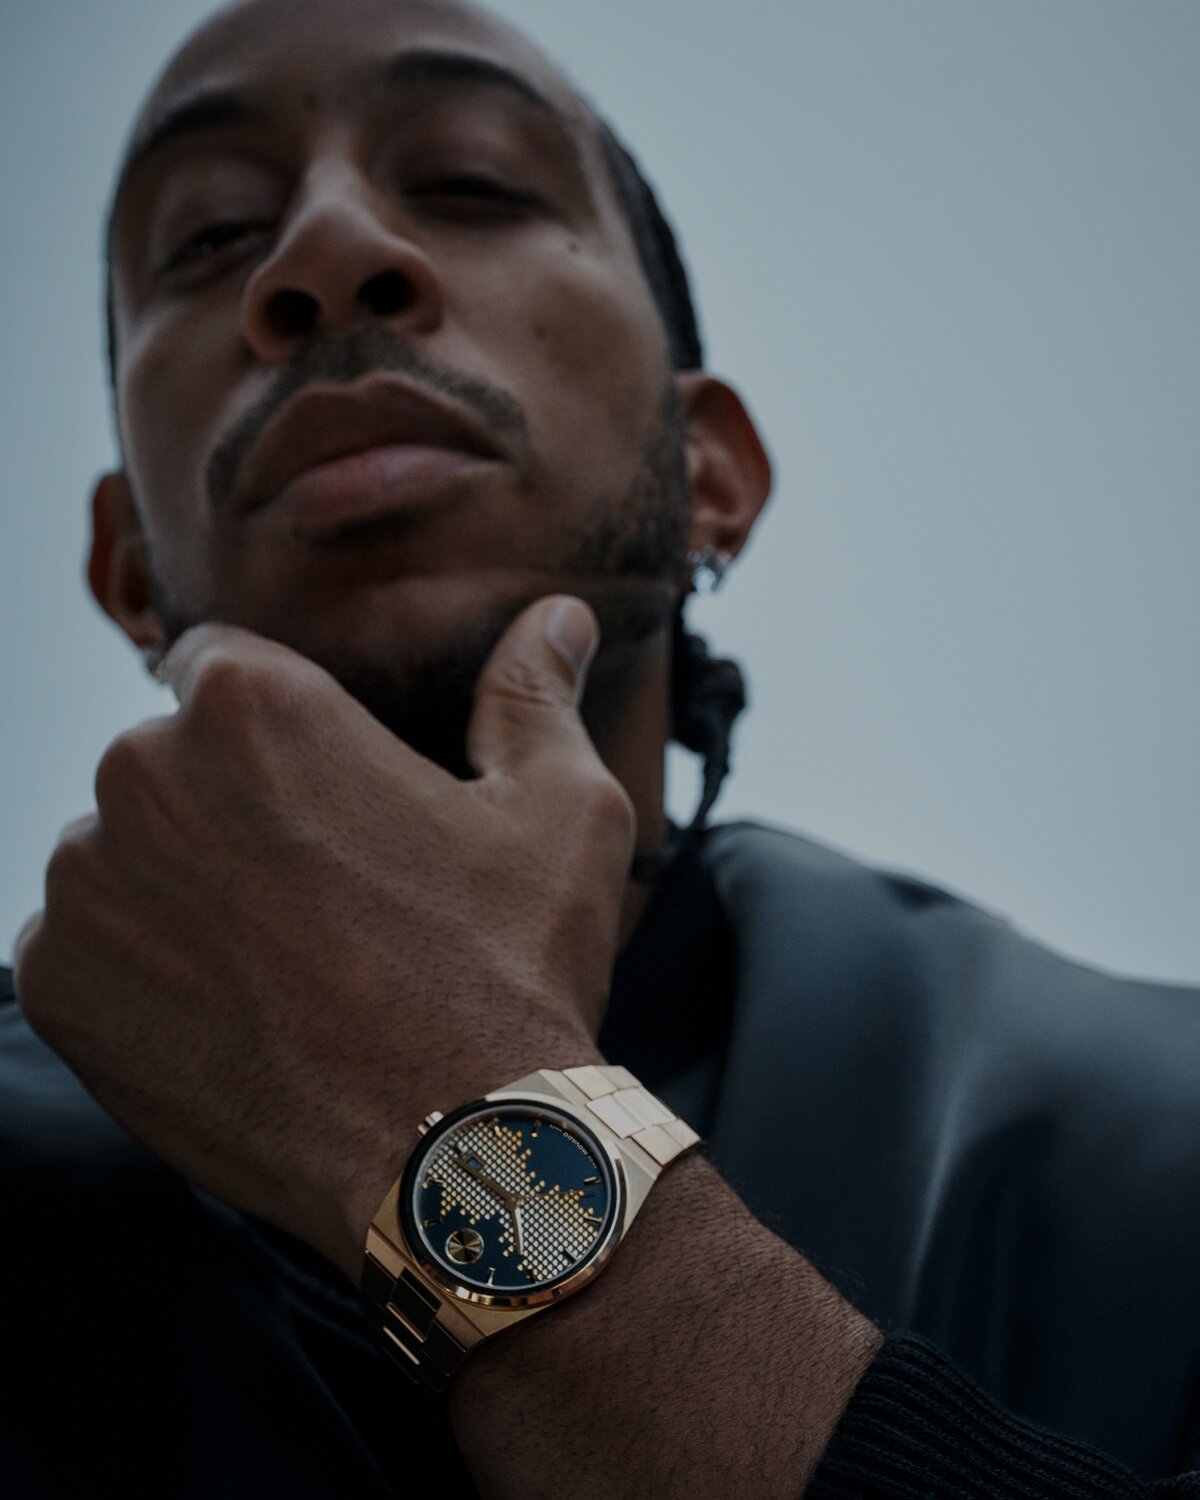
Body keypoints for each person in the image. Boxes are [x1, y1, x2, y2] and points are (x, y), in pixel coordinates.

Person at [4, 0, 1198, 1494]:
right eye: (208, 236)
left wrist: (448, 1103)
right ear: (125, 567)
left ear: (709, 475)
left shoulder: (1166, 1127)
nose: (319, 254)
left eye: (477, 182)